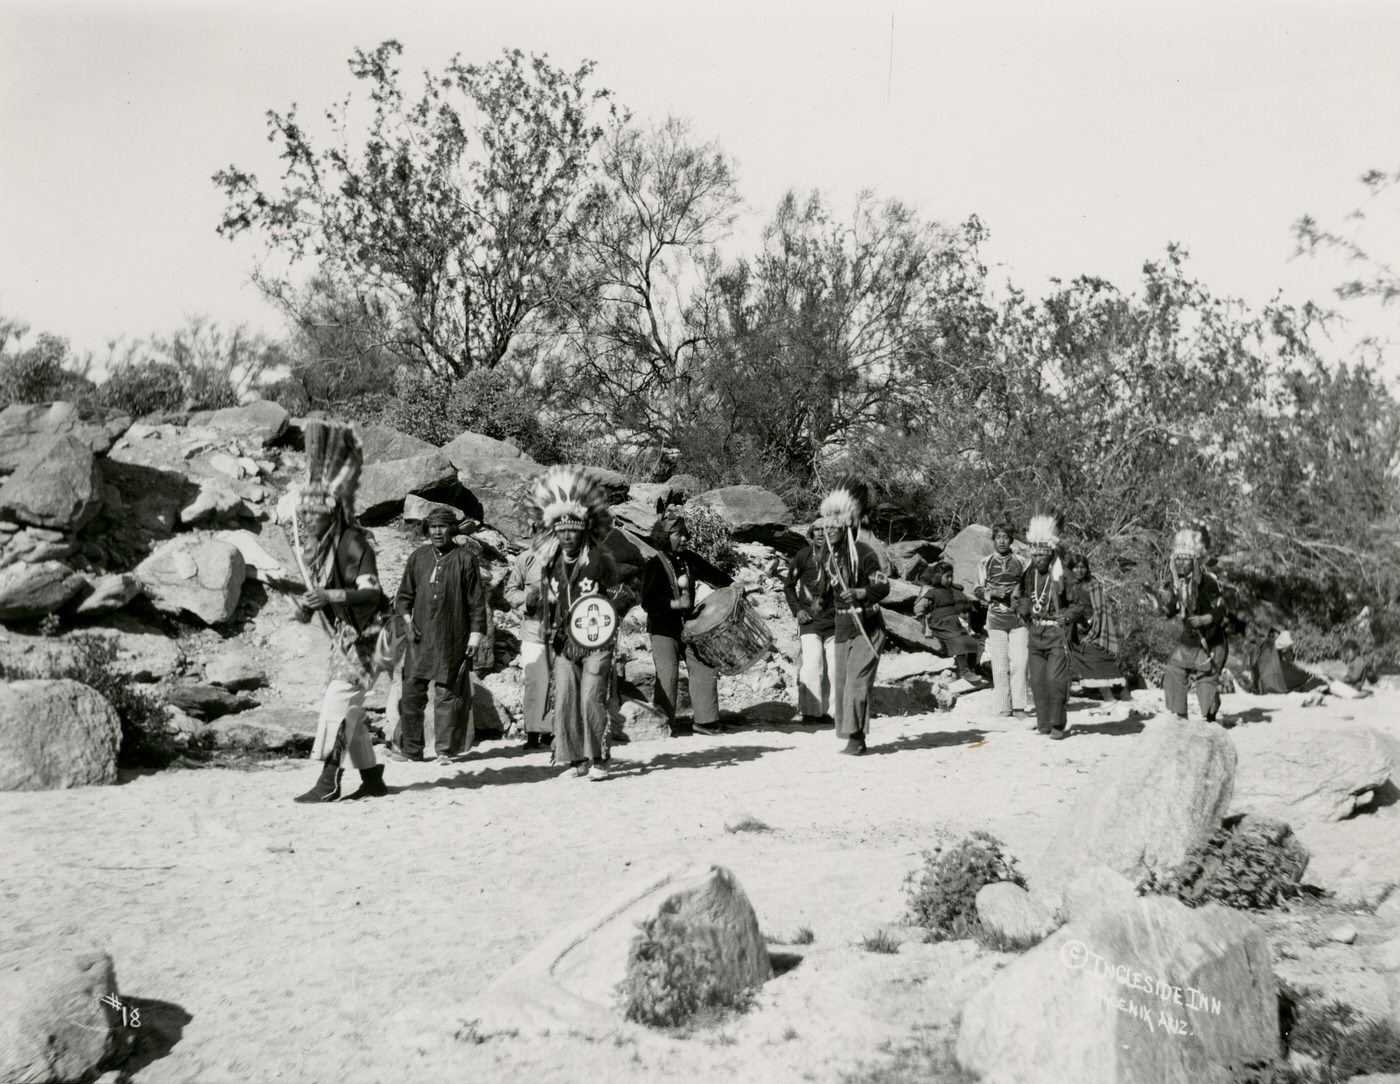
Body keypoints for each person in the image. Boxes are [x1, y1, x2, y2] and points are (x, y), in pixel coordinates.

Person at [292, 422, 391, 803]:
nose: (308, 521)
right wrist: (311, 603)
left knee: (337, 700)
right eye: (306, 514)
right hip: (346, 637)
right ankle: (371, 777)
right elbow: (328, 600)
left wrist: (330, 594)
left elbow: (371, 594)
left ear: (332, 514)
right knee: (349, 707)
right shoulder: (322, 548)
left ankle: (329, 779)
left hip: (370, 634)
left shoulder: (352, 543)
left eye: (315, 515)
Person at [529, 465, 635, 782]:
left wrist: (604, 612)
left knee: (591, 698)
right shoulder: (551, 565)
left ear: (584, 531)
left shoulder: (601, 559)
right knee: (564, 699)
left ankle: (600, 758)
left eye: (572, 531)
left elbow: (624, 593)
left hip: (596, 643)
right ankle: (577, 760)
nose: (566, 536)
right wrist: (538, 605)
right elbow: (547, 603)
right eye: (561, 531)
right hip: (564, 644)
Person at [388, 507, 489, 764]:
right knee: (411, 692)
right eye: (432, 527)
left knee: (448, 694)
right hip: (419, 637)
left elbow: (476, 602)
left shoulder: (465, 559)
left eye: (442, 527)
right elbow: (404, 597)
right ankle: (411, 750)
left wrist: (475, 636)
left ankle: (445, 751)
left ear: (452, 530)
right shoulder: (418, 557)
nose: (436, 532)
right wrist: (407, 621)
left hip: (451, 635)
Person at [641, 501, 734, 736]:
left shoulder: (691, 559)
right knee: (668, 674)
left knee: (703, 664)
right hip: (663, 628)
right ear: (665, 537)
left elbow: (713, 575)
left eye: (685, 534)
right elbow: (648, 603)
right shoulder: (654, 566)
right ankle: (662, 724)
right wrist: (675, 605)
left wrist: (732, 585)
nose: (684, 539)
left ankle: (706, 721)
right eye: (678, 535)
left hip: (690, 625)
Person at [819, 477, 890, 756]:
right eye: (827, 524)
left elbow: (883, 586)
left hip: (867, 627)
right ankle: (852, 735)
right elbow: (829, 588)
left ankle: (857, 740)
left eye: (835, 525)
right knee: (843, 686)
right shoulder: (828, 554)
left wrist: (861, 593)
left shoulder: (865, 553)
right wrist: (821, 599)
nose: (829, 528)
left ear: (847, 524)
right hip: (842, 627)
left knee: (856, 685)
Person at [1154, 521, 1228, 722]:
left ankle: (1210, 714)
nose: (1180, 564)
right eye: (1177, 560)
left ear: (1194, 561)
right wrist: (1158, 606)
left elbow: (1222, 608)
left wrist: (1205, 619)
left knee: (1206, 682)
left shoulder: (1208, 582)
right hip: (1189, 641)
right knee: (1174, 670)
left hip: (1211, 641)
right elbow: (1170, 610)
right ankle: (1181, 717)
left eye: (1185, 560)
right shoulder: (1177, 585)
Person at [1017, 515, 1083, 739]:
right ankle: (1043, 724)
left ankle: (1057, 725)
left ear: (1051, 552)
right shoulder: (1029, 573)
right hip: (1035, 633)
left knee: (1055, 680)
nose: (1038, 559)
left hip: (1056, 633)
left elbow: (1078, 604)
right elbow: (1024, 595)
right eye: (1034, 554)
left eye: (1042, 554)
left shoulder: (1062, 574)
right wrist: (1024, 608)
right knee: (1036, 681)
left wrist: (1066, 616)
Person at [504, 529, 556, 749]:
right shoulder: (525, 559)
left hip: (564, 632)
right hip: (534, 632)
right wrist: (528, 599)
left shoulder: (571, 559)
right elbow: (510, 591)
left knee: (560, 683)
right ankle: (534, 732)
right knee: (535, 682)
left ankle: (554, 732)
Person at [975, 522, 1030, 718]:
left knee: (1020, 662)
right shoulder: (985, 562)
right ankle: (1003, 707)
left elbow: (1030, 586)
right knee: (999, 664)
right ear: (993, 540)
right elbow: (977, 590)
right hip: (996, 618)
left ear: (1011, 540)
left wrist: (1019, 595)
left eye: (1005, 537)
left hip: (1019, 619)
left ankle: (1019, 707)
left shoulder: (1023, 562)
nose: (1001, 541)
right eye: (998, 537)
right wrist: (992, 592)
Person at [784, 524, 838, 724]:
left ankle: (831, 713)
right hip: (809, 620)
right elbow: (788, 585)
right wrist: (797, 610)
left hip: (834, 620)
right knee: (812, 664)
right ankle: (809, 712)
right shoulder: (803, 556)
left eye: (827, 530)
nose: (822, 534)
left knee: (834, 668)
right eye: (818, 530)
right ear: (810, 534)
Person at [1063, 552, 1127, 699]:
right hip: (1073, 634)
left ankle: (1122, 695)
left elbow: (1100, 612)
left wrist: (1091, 633)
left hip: (1094, 631)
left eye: (1082, 567)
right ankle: (1107, 696)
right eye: (1076, 567)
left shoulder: (1093, 585)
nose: (1079, 570)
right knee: (1086, 664)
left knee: (1102, 662)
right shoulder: (1067, 586)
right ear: (1070, 569)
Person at [913, 561, 983, 684]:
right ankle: (964, 671)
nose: (950, 580)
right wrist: (924, 621)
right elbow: (919, 607)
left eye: (952, 577)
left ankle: (972, 669)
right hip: (940, 623)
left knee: (971, 641)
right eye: (947, 577)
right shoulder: (931, 592)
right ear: (938, 576)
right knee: (958, 640)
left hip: (954, 622)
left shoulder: (950, 591)